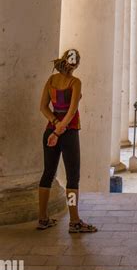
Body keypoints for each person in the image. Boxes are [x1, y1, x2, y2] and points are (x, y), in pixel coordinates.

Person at [37, 48, 97, 233]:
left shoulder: (51, 80)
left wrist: (54, 126)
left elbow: (43, 108)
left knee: (48, 173)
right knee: (73, 178)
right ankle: (74, 221)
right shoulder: (74, 82)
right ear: (76, 64)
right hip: (68, 133)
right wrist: (60, 130)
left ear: (63, 60)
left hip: (50, 130)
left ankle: (42, 218)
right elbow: (71, 112)